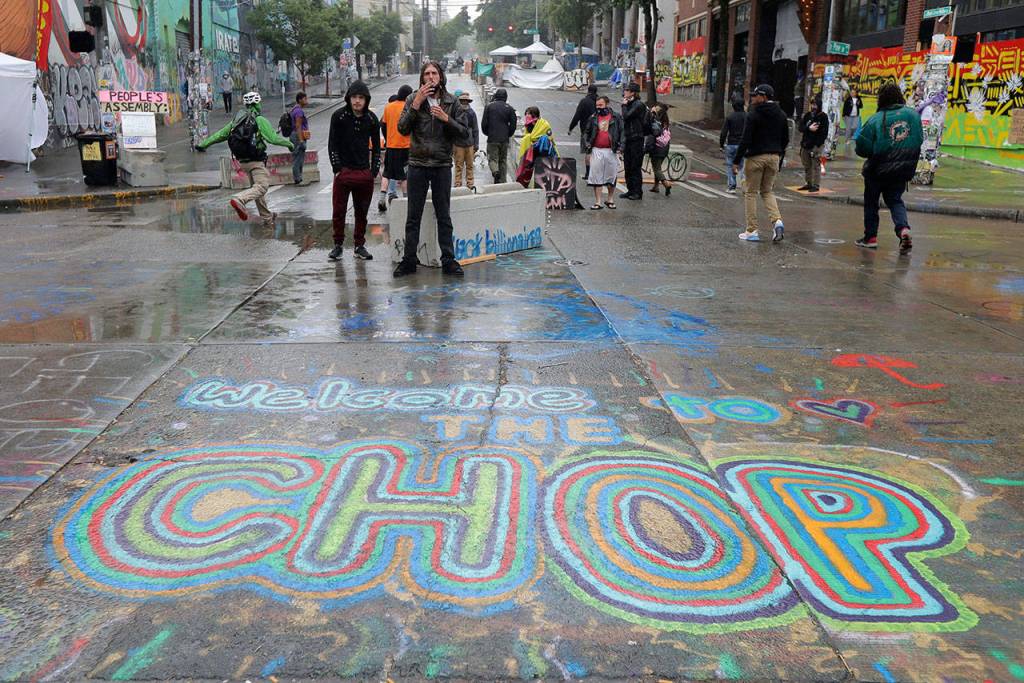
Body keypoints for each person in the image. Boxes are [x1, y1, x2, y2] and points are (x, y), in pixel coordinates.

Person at [393, 61, 469, 278]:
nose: (431, 77)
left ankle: (448, 260)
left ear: (441, 77)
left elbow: (465, 133)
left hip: (441, 164)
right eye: (426, 74)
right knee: (413, 216)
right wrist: (416, 104)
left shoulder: (451, 102)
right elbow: (402, 129)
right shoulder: (412, 99)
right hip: (417, 164)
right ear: (422, 78)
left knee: (444, 216)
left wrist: (447, 119)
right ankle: (409, 260)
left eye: (434, 73)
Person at [196, 91, 293, 227]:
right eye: (259, 103)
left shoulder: (236, 121)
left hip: (242, 161)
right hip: (256, 160)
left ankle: (267, 217)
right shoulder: (259, 120)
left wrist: (203, 144)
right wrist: (290, 144)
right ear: (256, 104)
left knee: (257, 190)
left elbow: (219, 135)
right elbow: (273, 138)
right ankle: (240, 199)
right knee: (262, 186)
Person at [854, 82, 922, 252]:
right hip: (902, 170)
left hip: (877, 170)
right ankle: (903, 229)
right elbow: (919, 139)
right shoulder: (913, 116)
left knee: (871, 203)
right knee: (895, 200)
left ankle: (870, 237)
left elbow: (862, 147)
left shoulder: (876, 119)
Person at [327, 81, 381, 262]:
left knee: (362, 212)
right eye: (354, 97)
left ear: (366, 100)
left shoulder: (372, 119)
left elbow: (376, 148)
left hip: (363, 173)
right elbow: (332, 144)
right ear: (349, 98)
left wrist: (373, 171)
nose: (357, 101)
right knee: (339, 211)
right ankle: (338, 245)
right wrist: (337, 169)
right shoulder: (338, 116)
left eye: (361, 98)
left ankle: (359, 245)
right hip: (344, 172)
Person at [733, 84, 788, 243]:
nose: (752, 98)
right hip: (774, 157)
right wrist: (779, 154)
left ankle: (752, 230)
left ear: (763, 97)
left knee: (750, 192)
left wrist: (736, 160)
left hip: (755, 157)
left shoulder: (754, 114)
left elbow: (745, 139)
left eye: (755, 95)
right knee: (767, 191)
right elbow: (785, 139)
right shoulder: (781, 115)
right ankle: (777, 222)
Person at [582, 95, 622, 210]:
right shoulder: (593, 117)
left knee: (611, 176)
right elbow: (586, 132)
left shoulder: (616, 117)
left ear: (607, 104)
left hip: (611, 150)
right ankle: (598, 201)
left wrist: (622, 146)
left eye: (601, 105)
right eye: (597, 105)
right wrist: (587, 143)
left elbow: (622, 131)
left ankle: (610, 199)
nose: (599, 107)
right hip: (597, 150)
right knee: (596, 176)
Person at [378, 84, 414, 211]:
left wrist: (388, 139)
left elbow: (383, 125)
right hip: (405, 146)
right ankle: (406, 200)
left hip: (391, 146)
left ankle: (382, 198)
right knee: (404, 175)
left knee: (387, 173)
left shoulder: (388, 107)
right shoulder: (408, 108)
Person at [480, 87, 517, 183]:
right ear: (505, 97)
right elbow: (513, 126)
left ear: (496, 96)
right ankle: (502, 181)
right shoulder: (510, 109)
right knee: (503, 160)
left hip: (492, 138)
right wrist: (508, 134)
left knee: (492, 158)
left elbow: (484, 124)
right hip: (504, 139)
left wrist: (488, 133)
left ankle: (495, 172)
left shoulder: (489, 107)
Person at [620, 82, 647, 201]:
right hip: (628, 138)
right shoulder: (630, 103)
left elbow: (626, 116)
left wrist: (624, 105)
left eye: (626, 90)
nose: (624, 92)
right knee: (628, 166)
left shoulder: (638, 105)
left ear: (633, 93)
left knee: (635, 166)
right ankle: (630, 190)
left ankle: (637, 192)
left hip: (637, 138)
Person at [517, 106, 558, 181]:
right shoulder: (528, 125)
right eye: (526, 114)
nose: (527, 116)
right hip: (532, 153)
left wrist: (536, 141)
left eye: (529, 114)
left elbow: (550, 138)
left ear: (535, 115)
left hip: (544, 152)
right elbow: (527, 136)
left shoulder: (544, 124)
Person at [797, 96, 828, 192]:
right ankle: (808, 183)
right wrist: (808, 128)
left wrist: (817, 145)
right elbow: (800, 127)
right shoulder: (808, 115)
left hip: (816, 145)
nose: (813, 107)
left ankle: (816, 184)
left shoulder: (823, 116)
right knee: (807, 165)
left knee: (816, 165)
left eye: (815, 105)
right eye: (812, 104)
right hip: (806, 144)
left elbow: (824, 133)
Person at [568, 84, 598, 177]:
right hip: (599, 129)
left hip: (586, 129)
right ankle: (596, 172)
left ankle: (588, 173)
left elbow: (577, 115)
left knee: (588, 151)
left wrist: (571, 128)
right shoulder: (599, 101)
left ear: (588, 91)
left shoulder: (584, 101)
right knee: (597, 150)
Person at [451, 90, 479, 189]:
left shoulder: (472, 113)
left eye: (466, 101)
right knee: (458, 165)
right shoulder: (455, 113)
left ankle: (470, 183)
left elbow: (475, 129)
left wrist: (476, 144)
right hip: (458, 144)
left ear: (468, 102)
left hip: (470, 143)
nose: (464, 102)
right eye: (462, 101)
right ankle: (457, 183)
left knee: (470, 165)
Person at [719, 98, 746, 193]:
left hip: (731, 144)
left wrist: (721, 144)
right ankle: (743, 181)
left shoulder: (730, 117)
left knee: (730, 165)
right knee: (742, 165)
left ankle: (732, 186)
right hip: (743, 144)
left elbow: (724, 132)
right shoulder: (747, 117)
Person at [647, 102, 672, 195]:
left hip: (657, 147)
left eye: (656, 108)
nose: (653, 108)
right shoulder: (665, 120)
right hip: (665, 147)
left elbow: (652, 132)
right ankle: (656, 186)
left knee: (656, 169)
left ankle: (666, 184)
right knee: (658, 167)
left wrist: (652, 114)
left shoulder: (656, 120)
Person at [290, 92, 310, 185]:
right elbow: (298, 126)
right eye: (305, 99)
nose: (306, 101)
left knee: (298, 157)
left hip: (296, 135)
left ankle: (299, 178)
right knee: (298, 158)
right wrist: (301, 140)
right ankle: (298, 179)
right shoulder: (298, 111)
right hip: (298, 136)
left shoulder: (295, 109)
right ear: (300, 100)